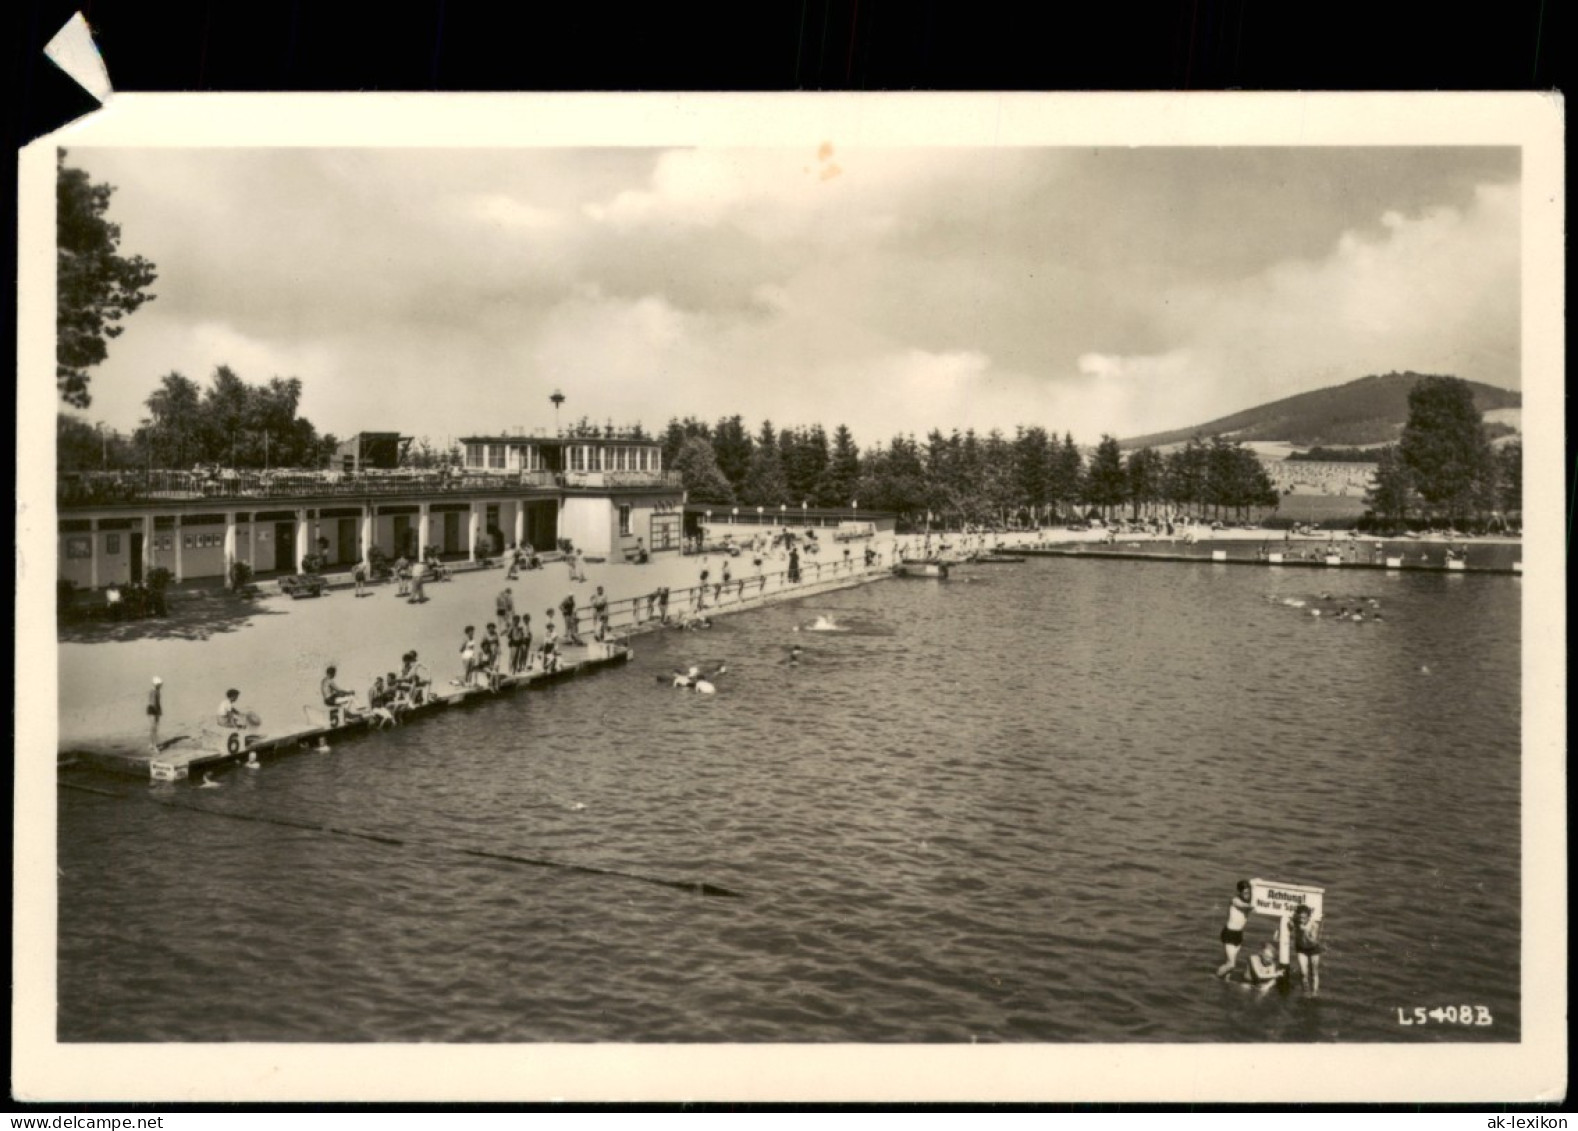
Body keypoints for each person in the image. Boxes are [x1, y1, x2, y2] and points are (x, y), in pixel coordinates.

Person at [1216, 880, 1255, 978]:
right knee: (1231, 964)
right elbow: (1245, 906)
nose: (1248, 895)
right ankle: (1215, 978)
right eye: (1245, 893)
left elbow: (1249, 904)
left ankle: (1226, 983)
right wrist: (1255, 902)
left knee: (1230, 964)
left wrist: (1255, 885)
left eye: (1249, 893)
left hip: (1238, 934)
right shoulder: (1234, 900)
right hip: (1229, 933)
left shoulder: (1249, 901)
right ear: (1239, 892)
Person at [1283, 905, 1324, 996]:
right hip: (1301, 948)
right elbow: (1290, 929)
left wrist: (1305, 931)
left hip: (1313, 949)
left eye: (1304, 918)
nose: (1302, 920)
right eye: (1300, 917)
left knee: (1314, 971)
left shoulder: (1314, 925)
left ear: (1308, 917)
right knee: (1303, 972)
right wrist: (1290, 924)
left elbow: (1314, 941)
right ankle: (1305, 992)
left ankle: (1315, 992)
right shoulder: (1296, 921)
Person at [147, 676, 164, 751]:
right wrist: (157, 712)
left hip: (153, 710)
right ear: (156, 685)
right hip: (153, 710)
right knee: (154, 728)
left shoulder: (155, 691)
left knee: (153, 728)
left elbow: (156, 703)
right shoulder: (154, 692)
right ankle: (154, 746)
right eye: (160, 684)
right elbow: (154, 703)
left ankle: (151, 744)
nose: (161, 686)